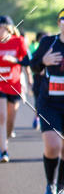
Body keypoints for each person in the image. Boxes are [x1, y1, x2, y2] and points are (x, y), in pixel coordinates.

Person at [29, 8, 64, 194]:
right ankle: (50, 185)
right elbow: (33, 65)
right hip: (49, 103)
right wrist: (43, 61)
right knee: (53, 145)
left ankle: (62, 189)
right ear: (59, 23)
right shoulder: (49, 42)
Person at [0, 16, 28, 162]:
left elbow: (28, 61)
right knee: (2, 116)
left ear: (8, 28)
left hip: (14, 85)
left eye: (1, 28)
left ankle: (6, 137)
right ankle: (3, 151)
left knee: (10, 120)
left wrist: (15, 60)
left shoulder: (18, 42)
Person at [28, 31, 48, 130]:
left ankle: (44, 119)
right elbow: (31, 63)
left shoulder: (52, 49)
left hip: (47, 81)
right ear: (38, 39)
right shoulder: (34, 49)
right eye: (42, 39)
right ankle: (37, 118)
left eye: (46, 38)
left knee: (46, 101)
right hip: (37, 79)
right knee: (38, 101)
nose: (44, 41)